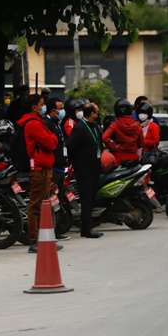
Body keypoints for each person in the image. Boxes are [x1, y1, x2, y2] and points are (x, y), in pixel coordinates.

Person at [17, 94, 59, 253]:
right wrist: (53, 138)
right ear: (34, 107)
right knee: (36, 205)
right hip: (39, 169)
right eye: (41, 104)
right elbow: (50, 142)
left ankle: (44, 239)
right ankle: (34, 240)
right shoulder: (33, 124)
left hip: (44, 168)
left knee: (43, 204)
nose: (43, 107)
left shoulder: (37, 122)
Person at [68, 102, 104, 238]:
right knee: (86, 199)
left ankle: (89, 226)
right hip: (84, 169)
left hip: (95, 167)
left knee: (92, 198)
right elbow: (71, 147)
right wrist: (77, 163)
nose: (98, 114)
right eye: (96, 112)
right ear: (91, 113)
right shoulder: (80, 128)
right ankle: (86, 229)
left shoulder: (94, 126)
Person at [102, 98, 143, 164]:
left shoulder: (115, 124)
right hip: (134, 158)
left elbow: (104, 138)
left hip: (118, 158)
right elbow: (141, 143)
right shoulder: (137, 124)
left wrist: (115, 147)